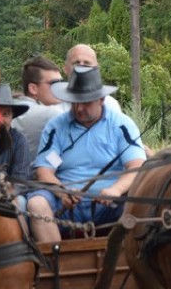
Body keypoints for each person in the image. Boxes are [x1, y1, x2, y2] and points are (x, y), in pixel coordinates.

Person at [26, 65, 146, 242]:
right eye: (75, 102)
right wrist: (62, 191)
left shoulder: (122, 125)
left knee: (141, 203)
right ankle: (59, 264)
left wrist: (116, 190)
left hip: (112, 205)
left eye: (86, 102)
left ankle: (125, 261)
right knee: (36, 204)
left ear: (101, 99)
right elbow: (44, 169)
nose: (79, 108)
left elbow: (136, 166)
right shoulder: (55, 126)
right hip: (65, 205)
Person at [13, 56, 65, 157]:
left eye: (60, 82)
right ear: (33, 88)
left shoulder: (14, 107)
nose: (59, 88)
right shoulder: (49, 113)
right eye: (54, 83)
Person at [0, 83, 32, 210]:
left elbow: (21, 181)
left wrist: (5, 187)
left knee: (19, 203)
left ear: (12, 116)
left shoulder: (19, 141)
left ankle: (23, 230)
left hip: (8, 194)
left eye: (6, 114)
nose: (1, 120)